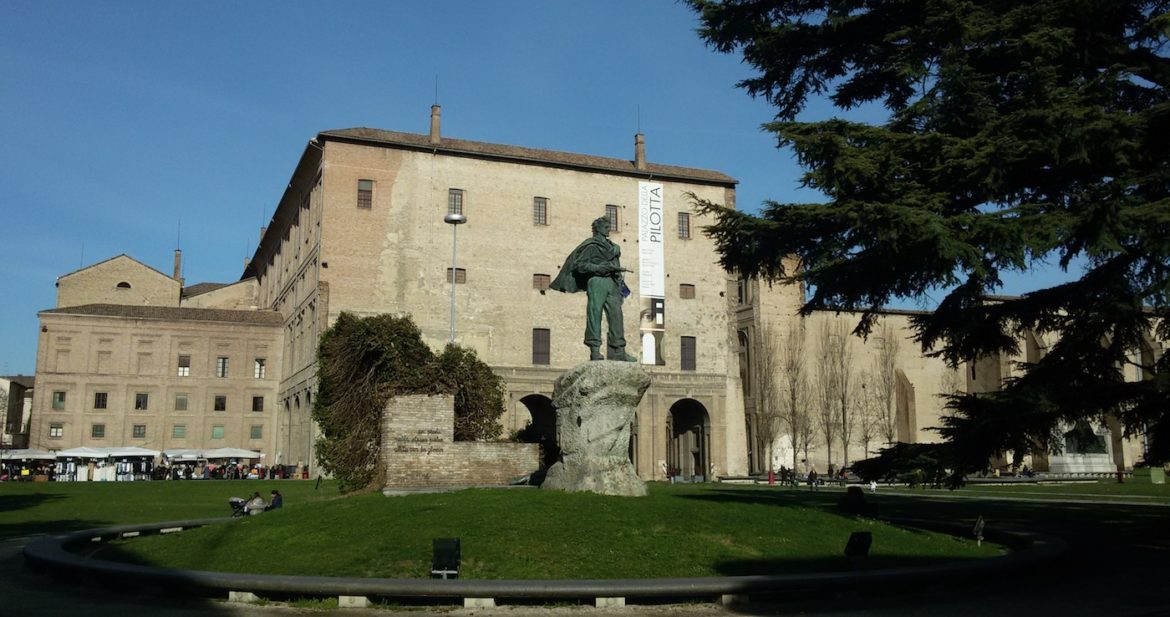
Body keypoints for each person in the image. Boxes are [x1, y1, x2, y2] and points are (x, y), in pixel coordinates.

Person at [550, 215, 636, 362]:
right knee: (594, 314)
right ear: (598, 229)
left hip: (612, 282)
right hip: (596, 281)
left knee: (617, 315)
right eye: (606, 227)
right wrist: (598, 268)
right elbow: (580, 265)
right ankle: (595, 350)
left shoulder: (613, 247)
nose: (609, 229)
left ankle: (619, 350)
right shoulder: (591, 246)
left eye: (609, 227)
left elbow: (615, 264)